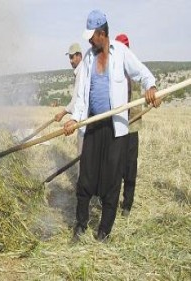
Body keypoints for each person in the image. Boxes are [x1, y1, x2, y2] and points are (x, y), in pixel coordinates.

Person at [64, 10, 160, 242]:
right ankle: (81, 224)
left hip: (116, 128)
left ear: (102, 33)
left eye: (92, 36)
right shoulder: (88, 58)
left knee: (111, 180)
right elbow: (81, 98)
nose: (89, 40)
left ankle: (104, 231)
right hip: (93, 125)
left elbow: (143, 73)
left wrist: (152, 88)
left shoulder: (121, 53)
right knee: (85, 177)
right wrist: (75, 119)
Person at [115, 33, 141, 217]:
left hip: (132, 127)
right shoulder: (114, 72)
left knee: (130, 167)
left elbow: (150, 87)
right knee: (115, 165)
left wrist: (155, 96)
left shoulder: (137, 71)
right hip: (117, 126)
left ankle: (127, 204)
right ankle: (111, 200)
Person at [54, 43, 84, 154]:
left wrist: (63, 114)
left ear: (79, 55)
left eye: (72, 57)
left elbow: (77, 99)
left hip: (84, 121)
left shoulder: (82, 72)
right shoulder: (81, 70)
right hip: (83, 119)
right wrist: (63, 114)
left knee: (82, 156)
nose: (70, 61)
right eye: (69, 58)